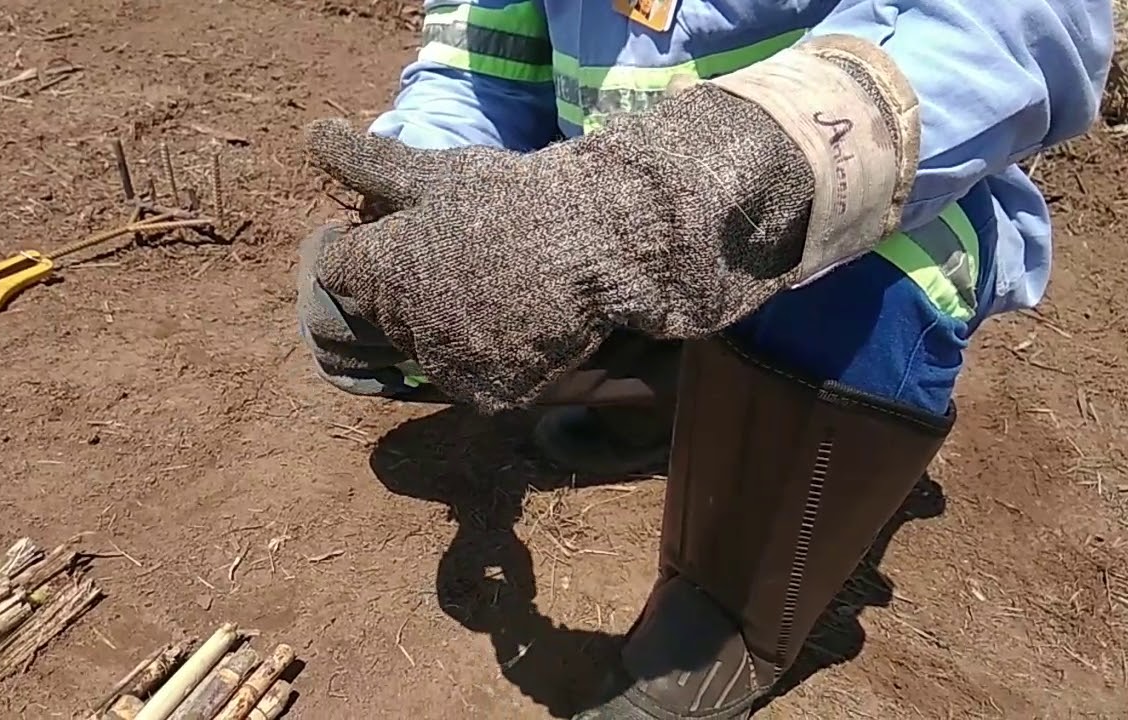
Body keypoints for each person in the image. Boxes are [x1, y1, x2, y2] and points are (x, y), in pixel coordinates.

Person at [295, 1, 1115, 718]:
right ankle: (683, 387)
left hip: (859, 206)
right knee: (449, 287)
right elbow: (480, 71)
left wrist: (657, 197)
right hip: (594, 220)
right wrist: (419, 214)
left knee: (864, 295)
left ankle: (727, 609)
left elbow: (1018, 29)